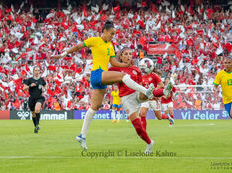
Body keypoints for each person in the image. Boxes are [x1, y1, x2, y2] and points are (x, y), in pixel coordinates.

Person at [51, 21, 154, 150]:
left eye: (114, 34)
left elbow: (114, 63)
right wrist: (63, 54)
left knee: (94, 107)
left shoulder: (110, 45)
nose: (112, 36)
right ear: (104, 31)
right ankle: (145, 91)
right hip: (97, 74)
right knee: (122, 77)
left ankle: (82, 136)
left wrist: (126, 65)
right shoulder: (94, 40)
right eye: (111, 34)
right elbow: (78, 47)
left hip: (101, 77)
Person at [109, 47, 173, 154]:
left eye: (130, 54)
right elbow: (107, 77)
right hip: (126, 99)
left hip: (138, 93)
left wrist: (150, 93)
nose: (128, 56)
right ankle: (149, 142)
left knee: (145, 93)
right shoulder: (115, 69)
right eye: (125, 54)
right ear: (120, 56)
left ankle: (163, 91)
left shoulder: (136, 70)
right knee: (138, 128)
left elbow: (141, 86)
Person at [23, 66, 46, 133]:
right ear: (33, 71)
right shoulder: (29, 80)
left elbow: (45, 85)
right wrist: (30, 86)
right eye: (35, 70)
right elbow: (24, 88)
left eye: (38, 70)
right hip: (32, 98)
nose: (37, 72)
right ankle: (36, 126)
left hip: (39, 97)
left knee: (37, 109)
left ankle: (38, 124)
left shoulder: (41, 80)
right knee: (33, 114)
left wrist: (44, 89)